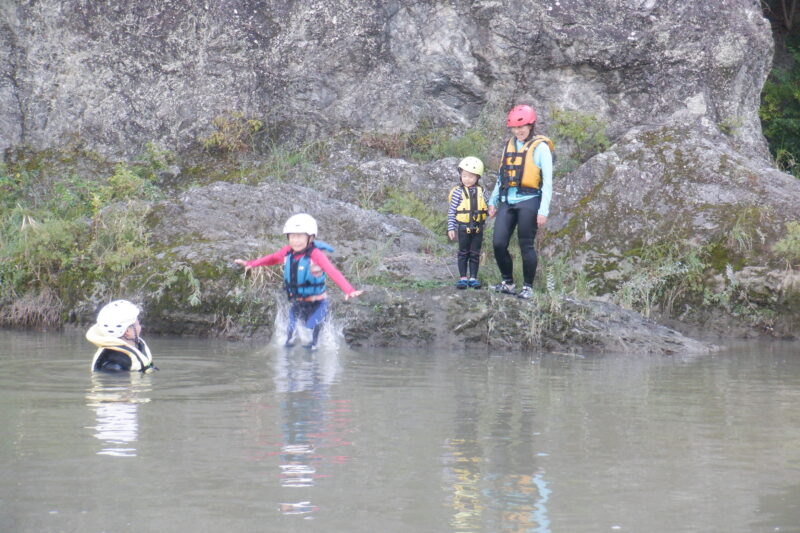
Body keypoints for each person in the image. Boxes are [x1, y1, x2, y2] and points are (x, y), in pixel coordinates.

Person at [234, 213, 363, 349]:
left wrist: (349, 290)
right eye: (292, 236)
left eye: (300, 236)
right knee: (289, 339)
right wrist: (251, 263)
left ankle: (313, 364)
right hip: (298, 304)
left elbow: (332, 271)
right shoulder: (288, 251)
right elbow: (272, 258)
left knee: (309, 337)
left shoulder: (316, 255)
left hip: (318, 305)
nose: (296, 240)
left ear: (311, 238)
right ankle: (289, 367)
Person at [487, 104, 554, 299]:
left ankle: (528, 287)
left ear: (531, 125)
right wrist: (493, 201)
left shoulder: (540, 148)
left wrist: (543, 211)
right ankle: (507, 283)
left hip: (530, 201)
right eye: (515, 128)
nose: (518, 131)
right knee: (498, 243)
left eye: (522, 127)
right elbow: (502, 176)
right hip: (508, 201)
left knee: (526, 245)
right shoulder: (509, 145)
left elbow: (548, 182)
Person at [447, 156, 489, 289]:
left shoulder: (482, 191)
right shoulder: (458, 192)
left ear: (477, 177)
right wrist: (451, 228)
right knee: (463, 252)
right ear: (460, 176)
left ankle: (473, 278)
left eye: (471, 176)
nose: (467, 179)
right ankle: (463, 277)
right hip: (463, 228)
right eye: (464, 176)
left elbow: (489, 205)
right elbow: (452, 211)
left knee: (475, 253)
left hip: (478, 228)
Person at [87, 299, 157, 373]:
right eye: (137, 323)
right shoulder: (114, 362)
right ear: (127, 331)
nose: (140, 325)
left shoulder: (135, 348)